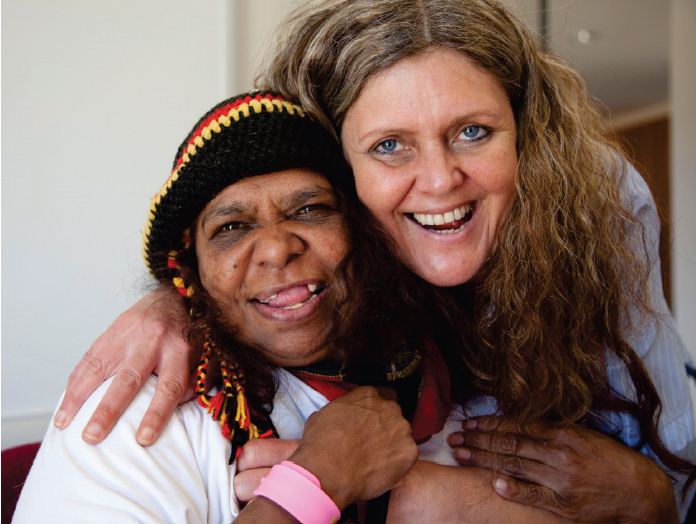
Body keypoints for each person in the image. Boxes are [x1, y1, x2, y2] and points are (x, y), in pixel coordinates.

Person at [53, 1, 696, 522]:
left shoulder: (592, 200)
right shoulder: (198, 408)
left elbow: (672, 465)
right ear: (343, 173)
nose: (442, 180)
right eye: (389, 145)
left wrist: (649, 497)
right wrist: (177, 300)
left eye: (473, 131)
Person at [15, 92, 572, 524]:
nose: (279, 246)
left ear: (362, 232)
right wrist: (319, 479)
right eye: (232, 228)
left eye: (309, 210)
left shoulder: (455, 379)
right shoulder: (135, 411)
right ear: (192, 272)